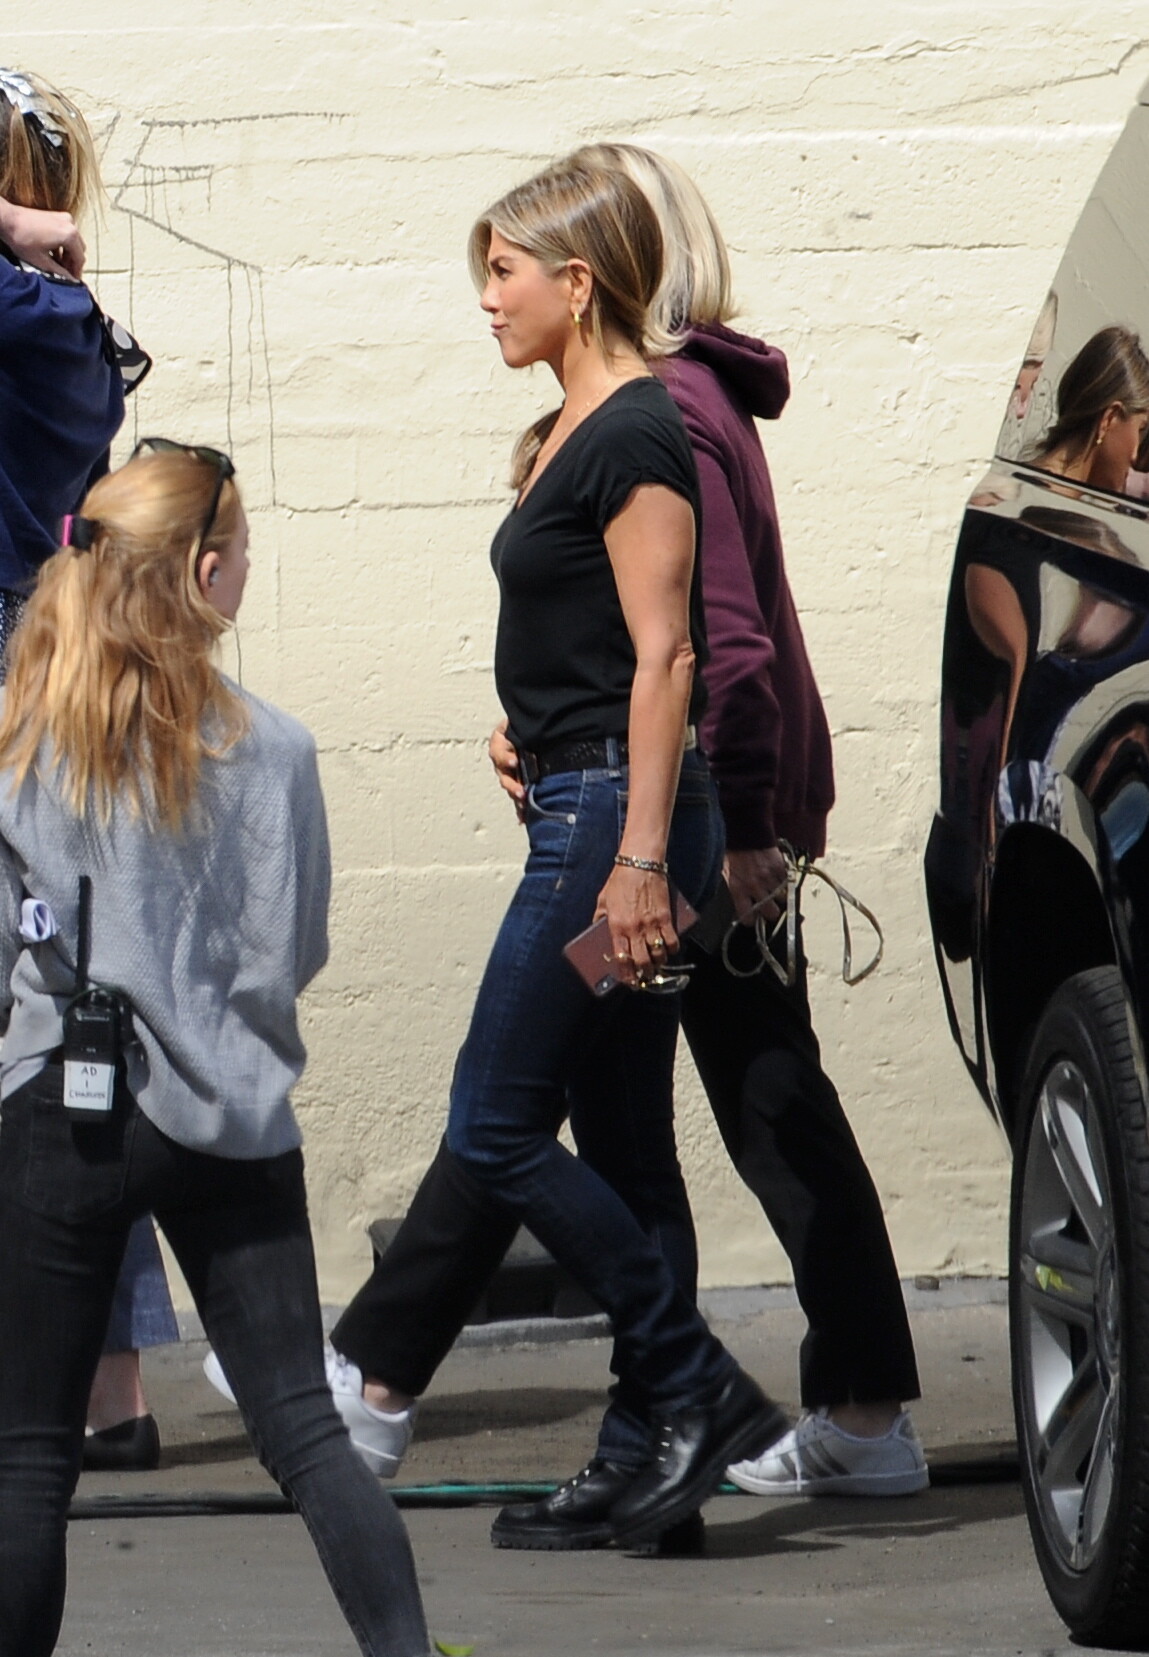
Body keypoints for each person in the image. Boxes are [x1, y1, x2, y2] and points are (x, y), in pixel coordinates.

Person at [304, 144, 925, 1547]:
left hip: (616, 837)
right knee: (629, 1128)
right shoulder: (608, 420)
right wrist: (531, 728)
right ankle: (655, 1447)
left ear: (579, 283)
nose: (486, 297)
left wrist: (669, 852)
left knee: (503, 1115)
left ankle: (686, 1383)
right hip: (600, 807)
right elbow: (602, 645)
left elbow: (685, 653)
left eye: (504, 272)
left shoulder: (653, 421)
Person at [0, 443, 432, 1657]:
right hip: (232, 1115)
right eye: (240, 553)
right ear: (203, 572)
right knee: (303, 1424)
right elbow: (294, 947)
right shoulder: (276, 750)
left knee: (27, 1458)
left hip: (57, 1110)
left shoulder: (23, 739)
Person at [0, 65, 176, 1471]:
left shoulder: (32, 311)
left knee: (66, 1036)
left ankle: (96, 1388)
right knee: (70, 1030)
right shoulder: (52, 313)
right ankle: (105, 1389)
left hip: (21, 685)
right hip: (49, 683)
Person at [1027, 324, 1149, 494]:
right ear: (1109, 419)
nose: (1135, 456)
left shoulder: (1014, 484)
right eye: (1140, 429)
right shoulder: (1054, 503)